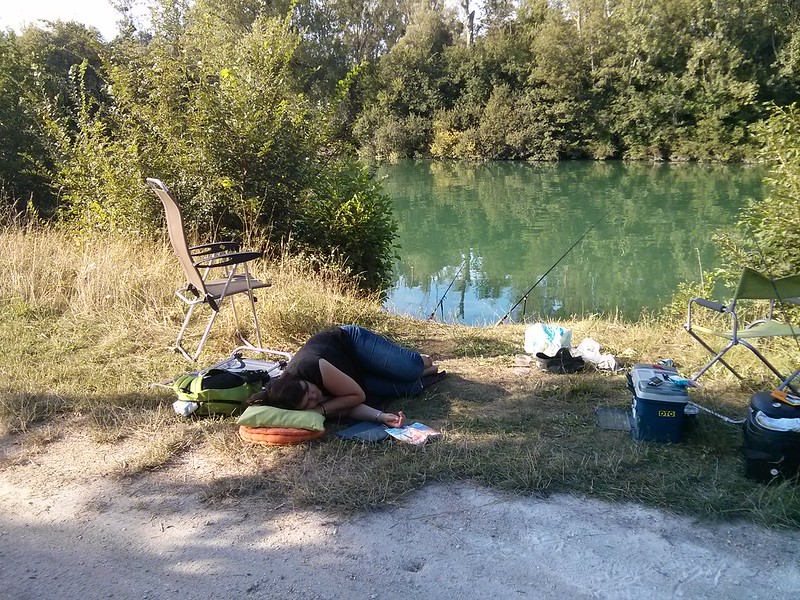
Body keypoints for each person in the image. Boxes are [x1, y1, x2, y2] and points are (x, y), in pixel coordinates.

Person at [249, 325, 441, 427]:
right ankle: (426, 372)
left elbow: (357, 397)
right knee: (411, 388)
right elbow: (347, 406)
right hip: (353, 377)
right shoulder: (299, 402)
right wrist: (381, 417)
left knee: (409, 369)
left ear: (300, 381)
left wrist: (319, 410)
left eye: (309, 391)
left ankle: (422, 362)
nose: (314, 396)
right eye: (309, 402)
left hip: (352, 345)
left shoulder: (310, 366)